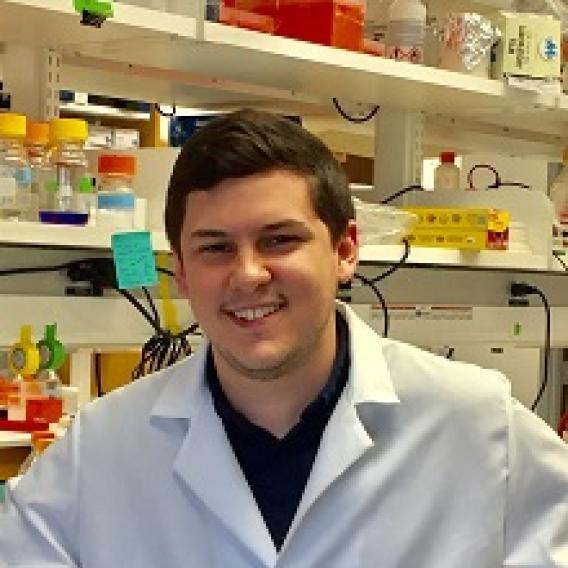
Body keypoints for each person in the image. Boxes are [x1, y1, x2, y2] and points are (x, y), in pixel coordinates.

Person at [0, 108, 566, 567]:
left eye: (279, 241)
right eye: (215, 247)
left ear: (345, 251)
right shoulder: (100, 450)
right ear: (182, 274)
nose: (248, 274)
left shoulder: (481, 427)